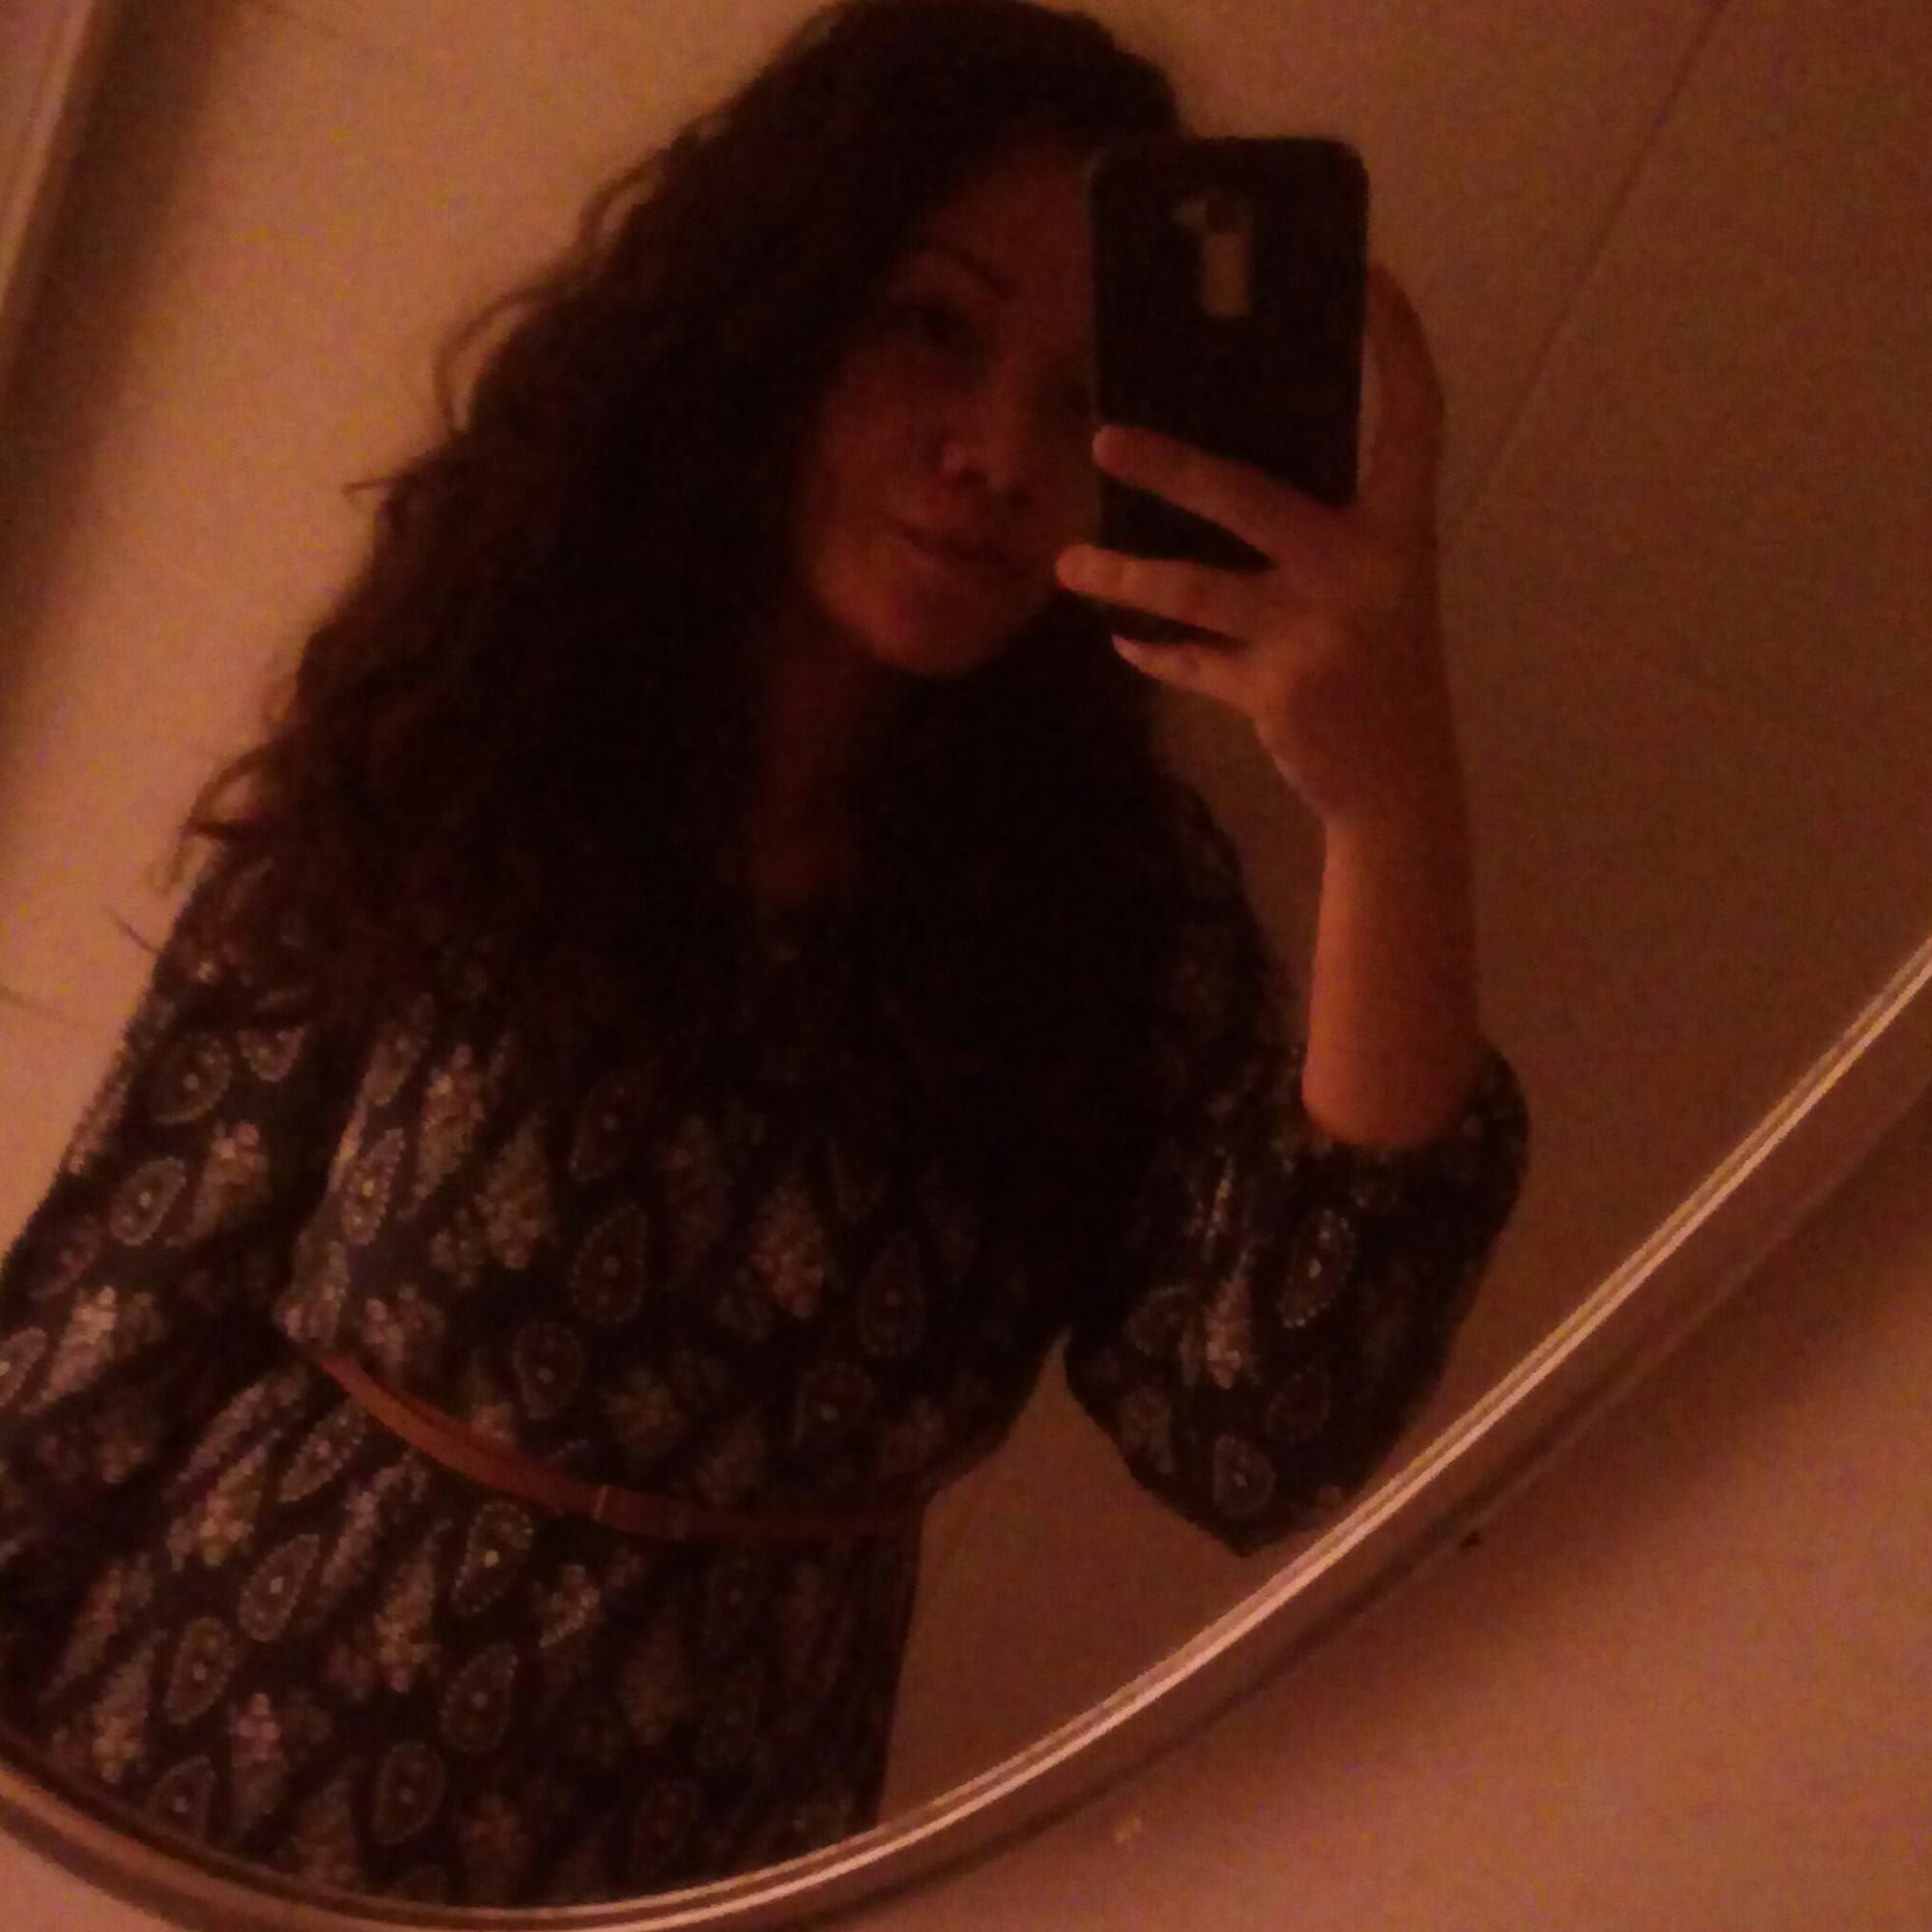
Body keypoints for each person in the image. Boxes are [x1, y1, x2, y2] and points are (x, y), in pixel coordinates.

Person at [0, 0, 1527, 1908]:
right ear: (776, 315)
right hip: (188, 1786)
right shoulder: (492, 709)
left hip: (699, 1866)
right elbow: (129, 1284)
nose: (997, 453)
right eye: (931, 327)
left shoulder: (1108, 907)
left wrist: (1393, 801)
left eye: (1084, 398)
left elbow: (1263, 1431)